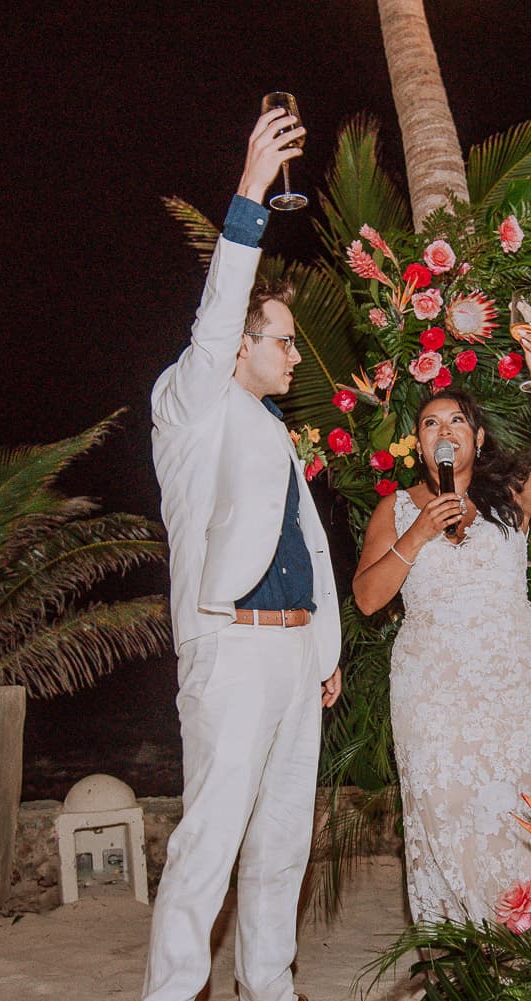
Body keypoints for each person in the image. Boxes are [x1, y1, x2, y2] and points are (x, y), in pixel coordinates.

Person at [142, 106, 342, 1001]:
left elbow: (305, 544)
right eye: (284, 340)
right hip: (232, 648)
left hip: (295, 653)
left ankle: (271, 986)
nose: (296, 355)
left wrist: (323, 652)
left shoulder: (273, 432)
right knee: (211, 840)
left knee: (282, 844)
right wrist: (252, 194)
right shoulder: (191, 408)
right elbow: (218, 316)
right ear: (239, 350)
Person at [352, 317, 531, 931]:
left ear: (477, 439)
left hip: (516, 689)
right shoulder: (398, 507)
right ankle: (473, 965)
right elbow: (366, 599)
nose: (443, 430)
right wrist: (418, 531)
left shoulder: (511, 499)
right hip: (434, 694)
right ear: (419, 443)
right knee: (452, 816)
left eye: (456, 420)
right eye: (430, 423)